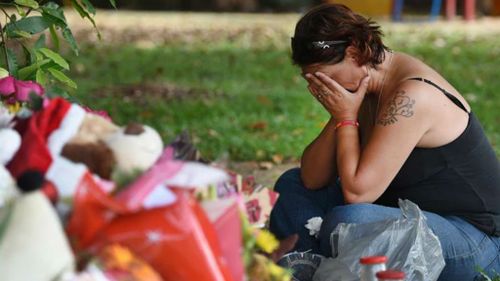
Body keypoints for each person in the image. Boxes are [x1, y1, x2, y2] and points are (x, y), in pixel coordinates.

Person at [269, 3, 500, 280]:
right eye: (313, 81)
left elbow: (357, 195)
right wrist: (342, 115)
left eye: (325, 78)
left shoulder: (413, 95)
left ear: (354, 51)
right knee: (290, 186)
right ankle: (319, 268)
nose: (320, 89)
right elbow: (311, 179)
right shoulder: (361, 84)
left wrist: (345, 117)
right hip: (400, 215)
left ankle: (324, 266)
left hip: (474, 239)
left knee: (350, 222)